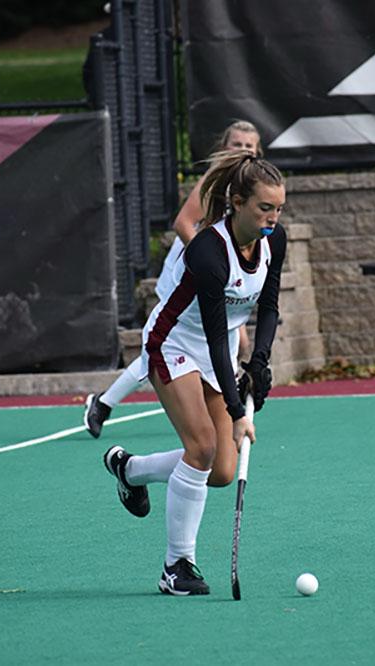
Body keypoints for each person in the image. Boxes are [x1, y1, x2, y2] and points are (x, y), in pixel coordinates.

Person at [102, 150, 286, 595]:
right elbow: (212, 333)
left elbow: (270, 306)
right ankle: (176, 567)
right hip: (174, 343)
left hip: (214, 347)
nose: (273, 218)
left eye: (279, 208)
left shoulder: (273, 241)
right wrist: (238, 405)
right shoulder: (208, 250)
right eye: (265, 208)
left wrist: (259, 364)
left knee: (221, 470)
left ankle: (130, 470)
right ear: (237, 201)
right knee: (202, 446)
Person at [84, 120, 262, 437]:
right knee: (165, 343)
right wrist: (211, 265)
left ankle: (107, 402)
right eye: (237, 145)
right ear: (224, 148)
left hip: (218, 274)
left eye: (250, 146)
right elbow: (183, 223)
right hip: (188, 270)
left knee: (224, 338)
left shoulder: (255, 190)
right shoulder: (215, 181)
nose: (244, 151)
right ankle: (104, 403)